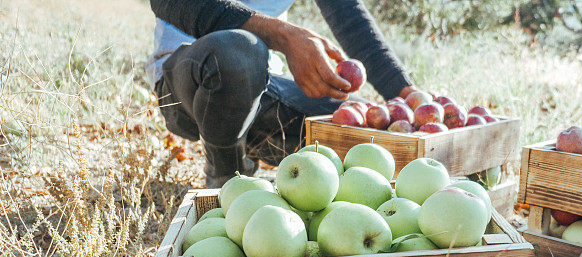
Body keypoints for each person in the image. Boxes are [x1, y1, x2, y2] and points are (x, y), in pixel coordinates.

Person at [147, 0, 419, 186]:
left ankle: (244, 147)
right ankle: (226, 182)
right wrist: (283, 36)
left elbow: (350, 19)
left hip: (268, 84)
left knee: (365, 130)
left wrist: (408, 98)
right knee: (239, 52)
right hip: (187, 79)